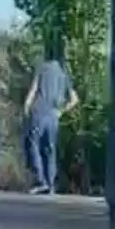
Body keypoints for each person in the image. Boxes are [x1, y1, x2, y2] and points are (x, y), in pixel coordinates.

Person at [22, 52, 79, 194]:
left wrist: (26, 107)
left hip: (39, 111)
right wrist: (61, 111)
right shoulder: (63, 74)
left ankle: (41, 181)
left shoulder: (42, 68)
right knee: (50, 149)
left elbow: (33, 89)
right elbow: (74, 99)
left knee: (34, 144)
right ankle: (51, 183)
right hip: (54, 114)